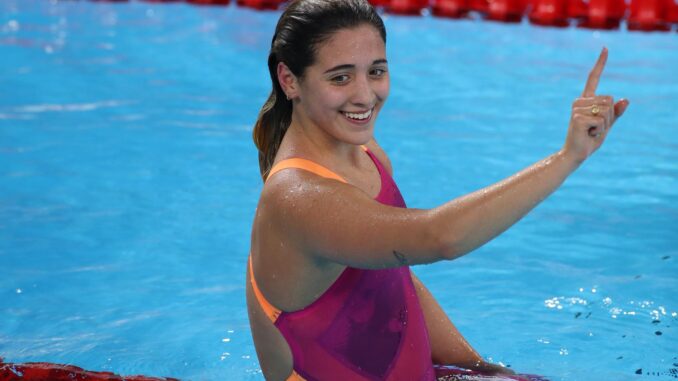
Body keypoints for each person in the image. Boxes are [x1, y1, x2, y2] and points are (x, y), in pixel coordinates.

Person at [245, 1, 629, 380]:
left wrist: (479, 369)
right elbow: (439, 237)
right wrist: (567, 158)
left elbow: (394, 280)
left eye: (376, 71)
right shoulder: (296, 197)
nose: (365, 95)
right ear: (289, 79)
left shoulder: (365, 155)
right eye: (340, 77)